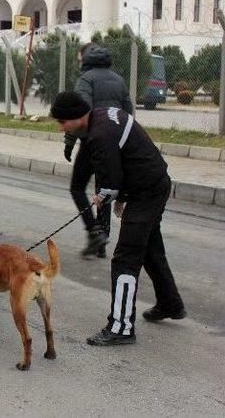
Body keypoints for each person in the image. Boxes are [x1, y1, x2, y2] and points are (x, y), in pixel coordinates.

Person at [51, 91, 186, 346]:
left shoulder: (99, 135)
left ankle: (121, 328)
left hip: (147, 192)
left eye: (62, 122)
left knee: (125, 258)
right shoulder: (99, 119)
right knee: (149, 250)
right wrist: (118, 196)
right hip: (152, 183)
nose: (61, 128)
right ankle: (171, 303)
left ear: (77, 117)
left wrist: (105, 197)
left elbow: (110, 183)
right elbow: (119, 165)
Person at [65, 44, 134, 259]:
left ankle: (94, 232)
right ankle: (102, 241)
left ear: (85, 60)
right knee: (104, 190)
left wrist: (69, 140)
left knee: (77, 187)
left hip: (92, 140)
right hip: (114, 142)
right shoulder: (119, 80)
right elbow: (129, 111)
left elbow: (79, 112)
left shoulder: (85, 80)